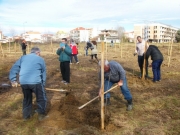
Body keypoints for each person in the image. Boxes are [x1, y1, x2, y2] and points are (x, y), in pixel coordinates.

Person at [9, 47, 47, 121]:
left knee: (27, 99)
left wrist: (13, 80)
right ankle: (41, 115)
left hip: (23, 82)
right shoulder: (40, 59)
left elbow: (14, 68)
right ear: (38, 53)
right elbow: (43, 72)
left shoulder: (23, 58)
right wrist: (43, 83)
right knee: (41, 98)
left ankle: (26, 117)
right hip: (36, 82)